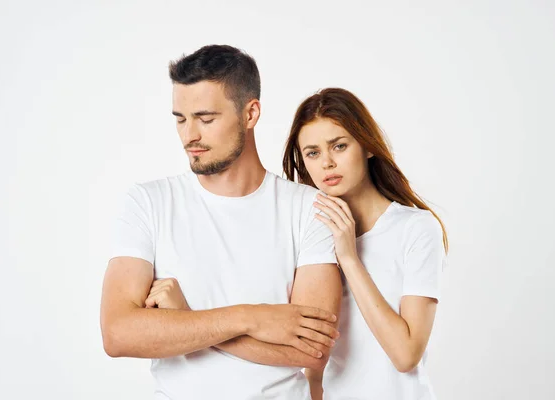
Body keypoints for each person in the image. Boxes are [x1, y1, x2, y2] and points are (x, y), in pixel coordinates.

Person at [100, 45, 342, 400]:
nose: (189, 136)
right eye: (180, 119)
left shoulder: (310, 209)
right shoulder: (148, 202)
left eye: (206, 118)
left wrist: (184, 319)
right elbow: (118, 333)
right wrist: (250, 317)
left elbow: (312, 351)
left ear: (250, 113)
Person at [283, 88, 448, 400]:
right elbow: (314, 362)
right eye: (313, 153)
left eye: (339, 146)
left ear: (368, 147)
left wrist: (349, 258)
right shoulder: (310, 237)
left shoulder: (416, 228)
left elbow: (406, 355)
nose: (327, 163)